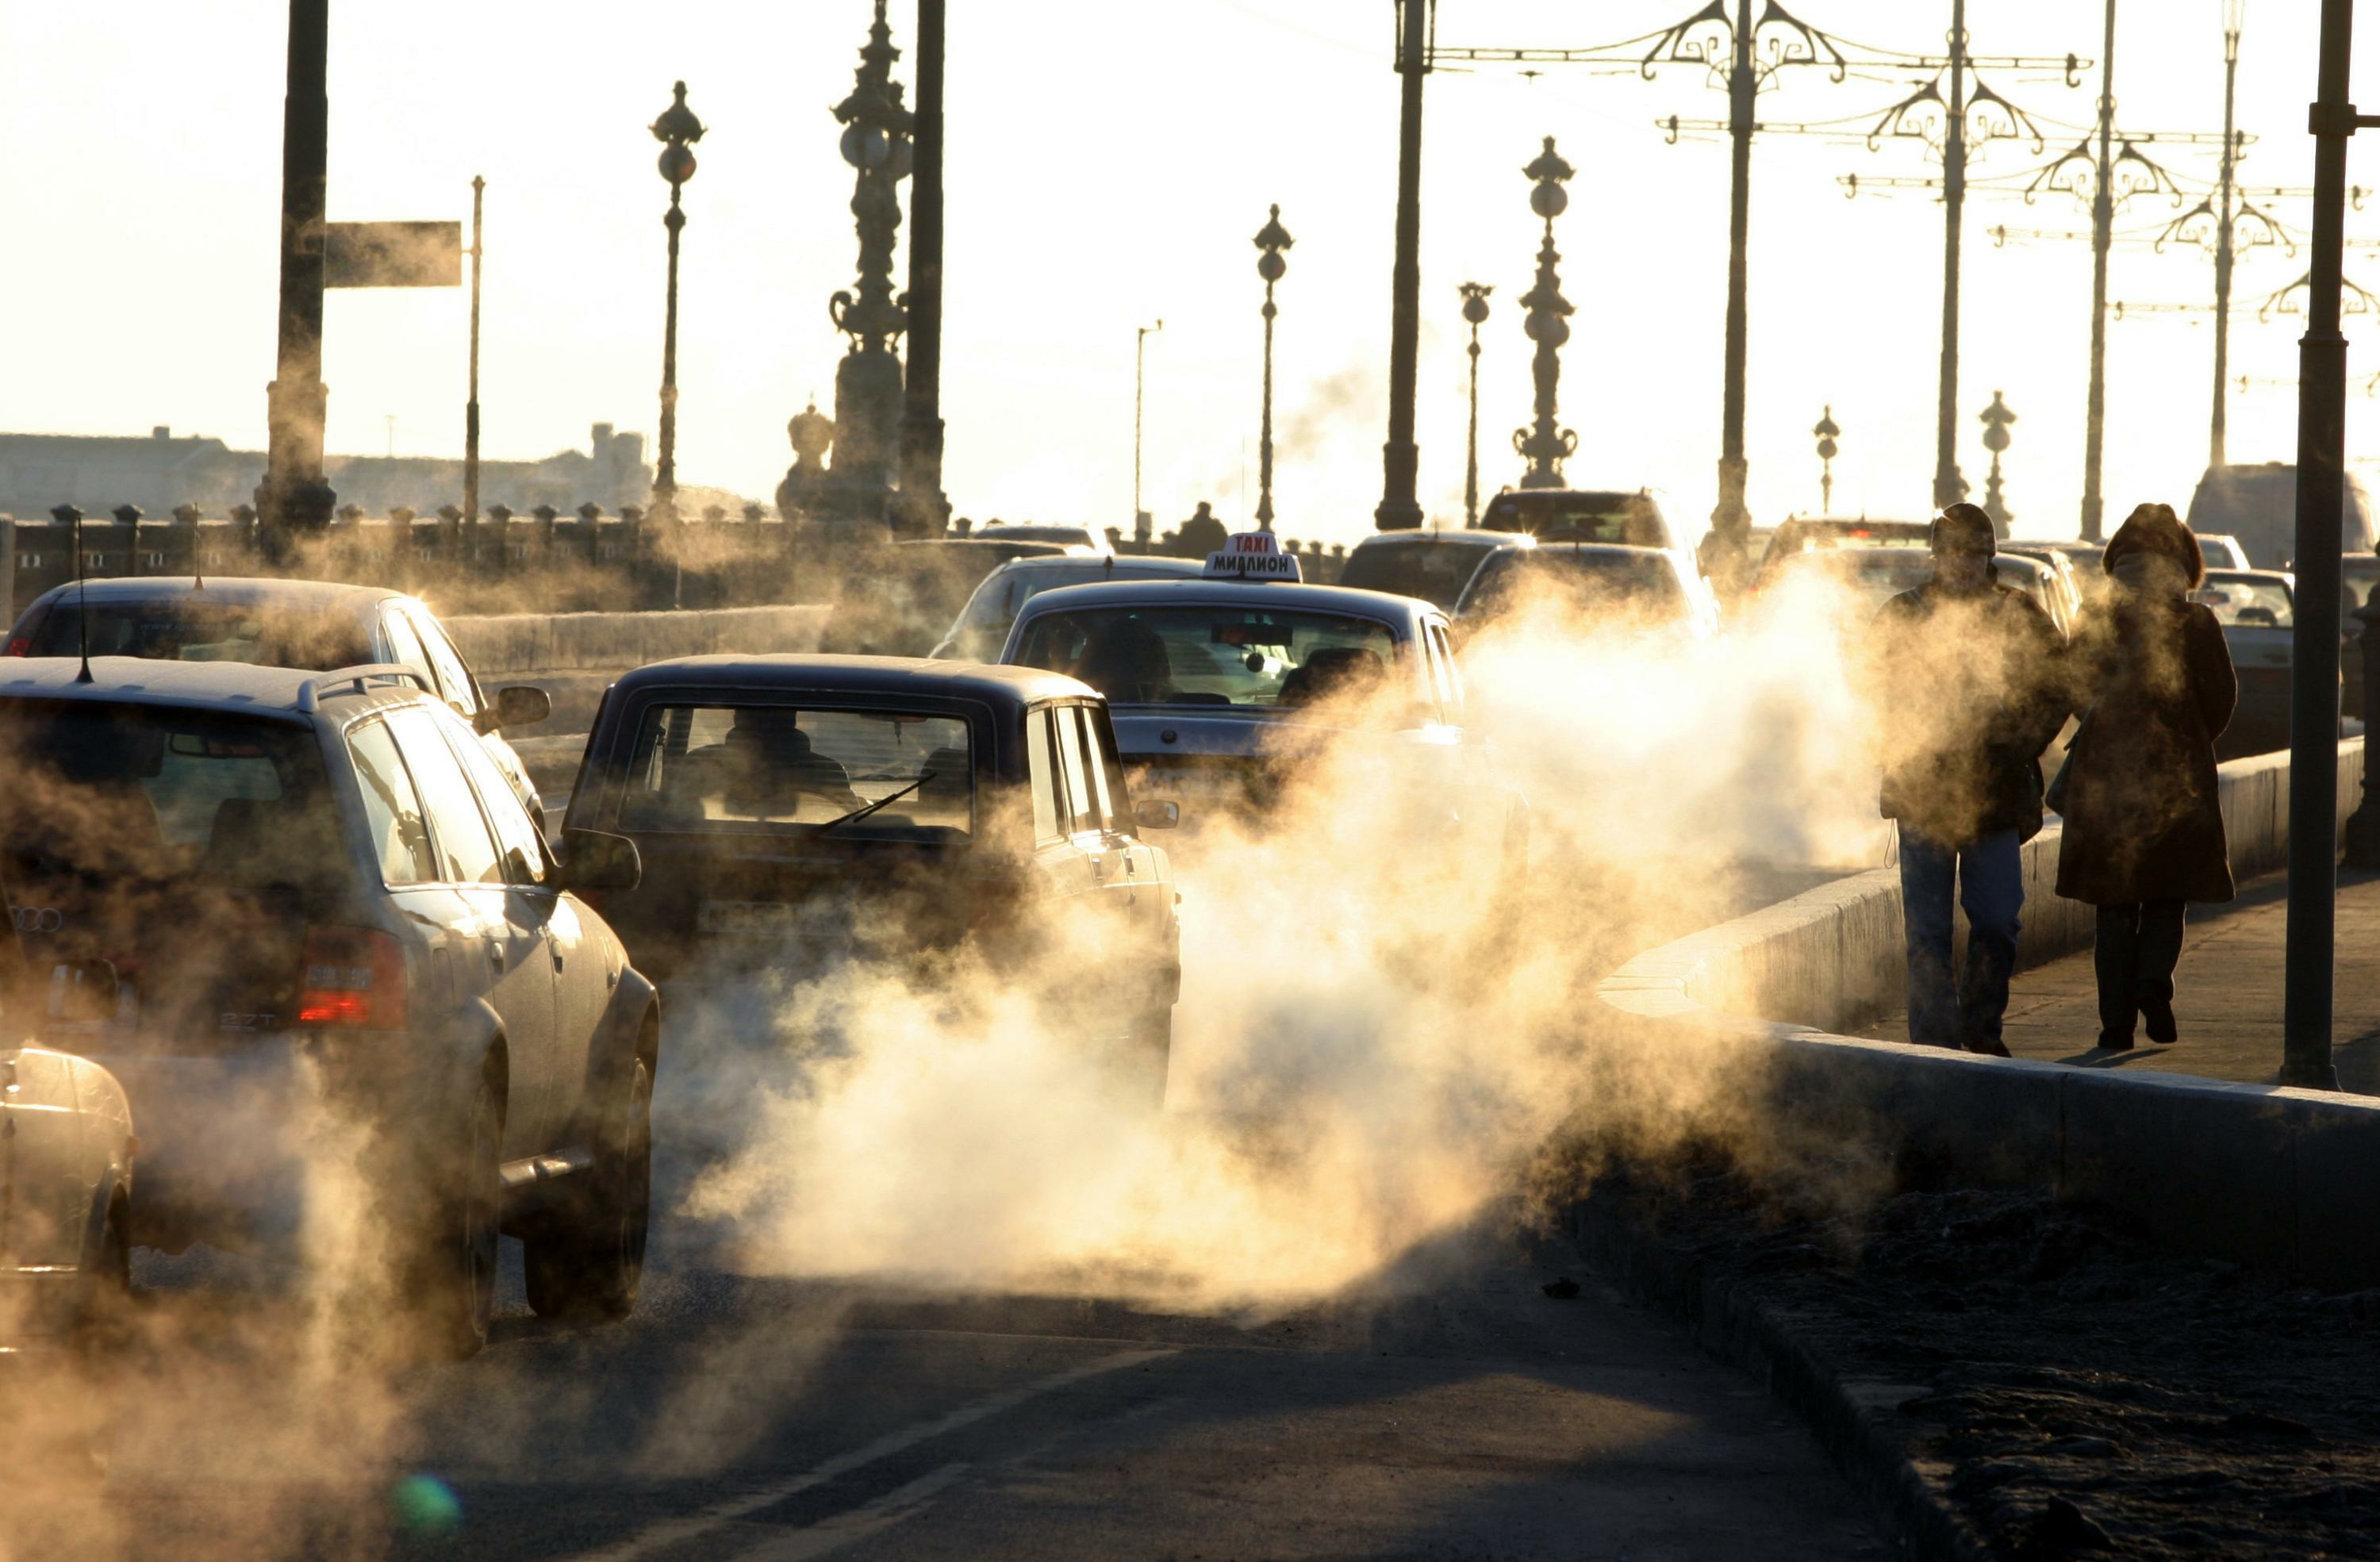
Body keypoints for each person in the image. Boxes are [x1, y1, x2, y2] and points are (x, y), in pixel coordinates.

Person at [1862, 502, 2069, 1054]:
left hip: (1996, 795)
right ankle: (1933, 1043)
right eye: (1952, 551)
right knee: (1927, 933)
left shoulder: (2018, 614)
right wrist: (1893, 740)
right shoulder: (1902, 614)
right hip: (1922, 791)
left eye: (1975, 552)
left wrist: (2021, 743)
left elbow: (2057, 686)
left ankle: (1981, 1032)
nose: (1963, 563)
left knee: (1998, 921)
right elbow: (1866, 684)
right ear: (1936, 555)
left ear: (1989, 557)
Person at [2053, 503, 2236, 1050]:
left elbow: (2072, 685)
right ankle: (2154, 983)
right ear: (2184, 559)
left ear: (2118, 556)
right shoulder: (2197, 620)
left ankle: (2115, 1026)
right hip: (2177, 779)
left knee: (2114, 904)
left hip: (2107, 781)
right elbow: (2221, 700)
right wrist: (2187, 737)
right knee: (2167, 895)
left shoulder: (2096, 615)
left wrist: (2110, 724)